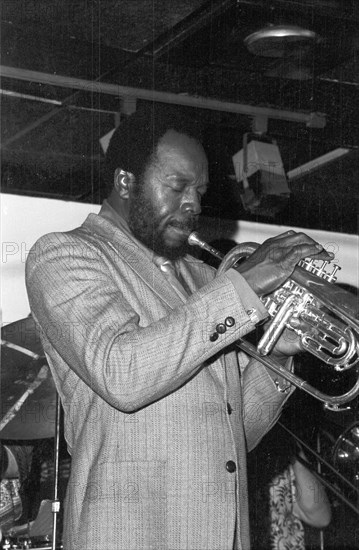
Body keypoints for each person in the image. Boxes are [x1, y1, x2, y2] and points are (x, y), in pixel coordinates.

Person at [25, 104, 332, 550]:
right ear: (126, 182)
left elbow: (229, 439)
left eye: (201, 191)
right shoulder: (66, 255)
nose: (194, 204)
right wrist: (243, 287)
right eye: (178, 186)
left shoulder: (205, 280)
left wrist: (274, 355)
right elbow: (122, 373)